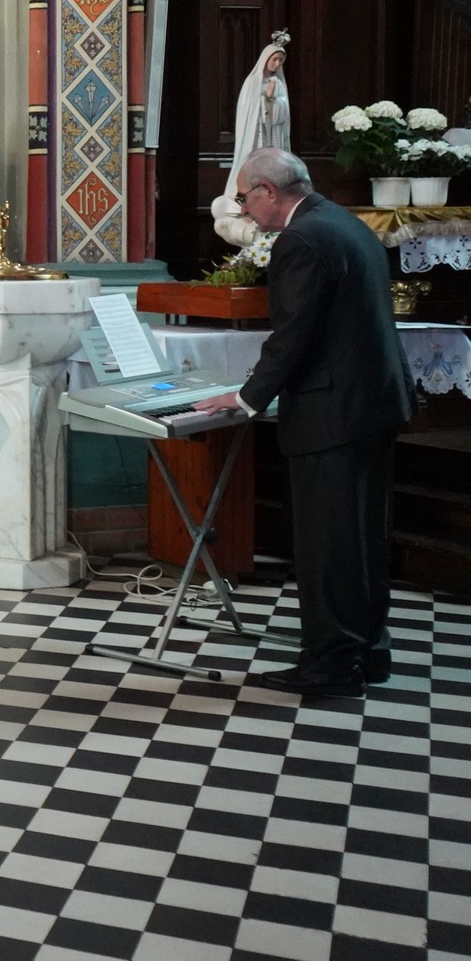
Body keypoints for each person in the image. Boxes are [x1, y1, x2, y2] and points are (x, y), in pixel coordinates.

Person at [192, 148, 417, 699]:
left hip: (332, 413)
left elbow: (293, 336)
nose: (244, 209)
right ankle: (369, 651)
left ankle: (333, 664)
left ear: (269, 191)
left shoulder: (301, 239)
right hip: (371, 405)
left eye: (244, 198)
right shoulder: (345, 223)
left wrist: (244, 398)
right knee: (360, 537)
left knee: (328, 545)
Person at [210, 32, 291, 248]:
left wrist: (273, 99)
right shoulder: (252, 83)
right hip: (255, 139)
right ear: (265, 60)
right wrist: (266, 99)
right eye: (274, 59)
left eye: (280, 61)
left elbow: (282, 115)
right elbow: (248, 113)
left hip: (272, 138)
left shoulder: (278, 84)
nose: (276, 64)